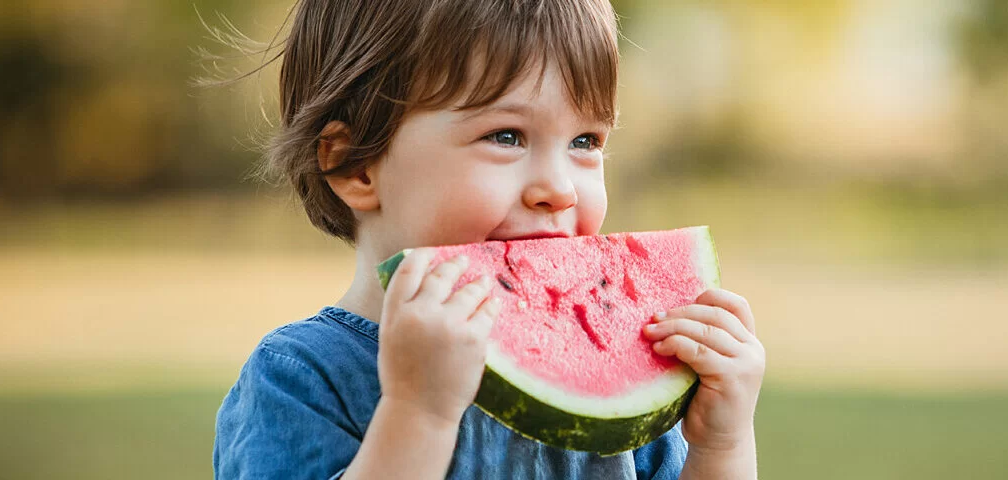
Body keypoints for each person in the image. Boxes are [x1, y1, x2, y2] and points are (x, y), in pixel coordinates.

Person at [210, 1, 766, 478]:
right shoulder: (300, 378)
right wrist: (418, 413)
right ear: (357, 166)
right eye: (507, 135)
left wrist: (722, 446)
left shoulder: (632, 380)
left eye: (585, 140)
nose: (559, 188)